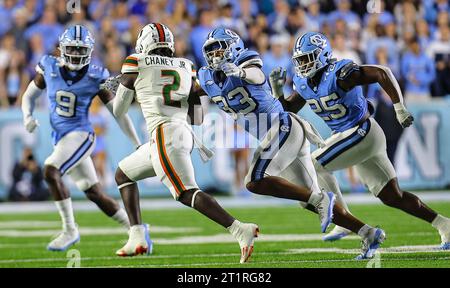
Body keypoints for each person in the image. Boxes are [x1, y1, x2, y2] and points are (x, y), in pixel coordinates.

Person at [197, 27, 385, 259]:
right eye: (211, 51)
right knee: (308, 201)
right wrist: (193, 119)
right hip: (277, 137)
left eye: (219, 49)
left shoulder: (245, 60)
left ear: (233, 47)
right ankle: (368, 232)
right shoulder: (206, 75)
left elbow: (256, 74)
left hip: (283, 127)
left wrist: (239, 73)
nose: (215, 55)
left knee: (254, 181)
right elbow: (196, 95)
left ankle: (320, 198)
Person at [271, 32, 450, 249]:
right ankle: (444, 225)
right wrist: (277, 91)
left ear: (322, 55)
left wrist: (399, 108)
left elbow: (382, 73)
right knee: (392, 196)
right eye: (299, 60)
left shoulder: (340, 73)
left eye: (307, 58)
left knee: (315, 164)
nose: (303, 64)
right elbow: (288, 109)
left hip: (361, 131)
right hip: (354, 136)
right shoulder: (303, 81)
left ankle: (342, 218)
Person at [110, 23, 259, 264]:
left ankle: (239, 229)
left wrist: (126, 88)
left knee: (185, 192)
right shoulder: (187, 66)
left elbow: (118, 110)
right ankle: (137, 236)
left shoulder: (136, 61)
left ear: (143, 44)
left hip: (163, 134)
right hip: (182, 133)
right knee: (123, 173)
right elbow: (197, 117)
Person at [20, 25, 142, 251]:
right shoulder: (48, 66)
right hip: (62, 137)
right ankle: (137, 230)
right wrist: (27, 115)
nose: (76, 54)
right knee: (94, 193)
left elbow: (118, 112)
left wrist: (136, 142)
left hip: (81, 135)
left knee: (50, 169)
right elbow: (29, 95)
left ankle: (69, 230)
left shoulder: (96, 75)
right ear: (62, 49)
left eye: (80, 50)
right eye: (72, 49)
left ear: (89, 51)